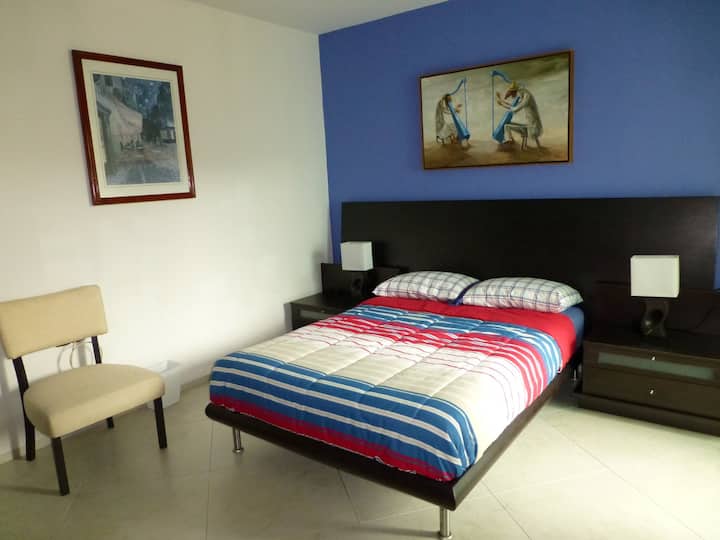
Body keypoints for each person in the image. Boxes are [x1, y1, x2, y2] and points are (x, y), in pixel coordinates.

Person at [495, 81, 543, 150]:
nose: (515, 96)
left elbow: (516, 108)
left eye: (513, 93)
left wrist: (502, 104)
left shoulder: (526, 96)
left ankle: (512, 141)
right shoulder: (525, 94)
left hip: (533, 126)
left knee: (506, 126)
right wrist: (503, 101)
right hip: (531, 123)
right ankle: (515, 142)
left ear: (515, 91)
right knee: (507, 125)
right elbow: (514, 106)